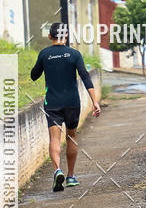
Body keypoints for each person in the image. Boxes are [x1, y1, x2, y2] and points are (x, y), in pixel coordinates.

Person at [30, 23, 101, 191]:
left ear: (50, 37)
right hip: (72, 102)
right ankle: (70, 176)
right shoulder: (74, 54)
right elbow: (85, 77)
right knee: (71, 138)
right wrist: (94, 101)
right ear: (66, 37)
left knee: (54, 139)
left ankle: (57, 170)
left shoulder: (44, 54)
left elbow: (34, 75)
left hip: (53, 103)